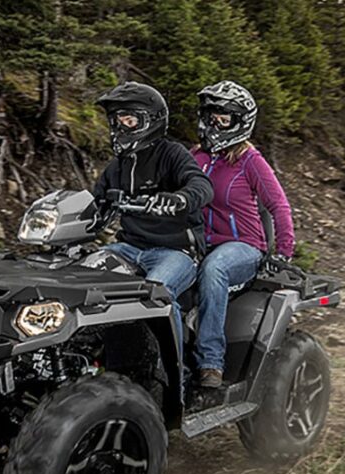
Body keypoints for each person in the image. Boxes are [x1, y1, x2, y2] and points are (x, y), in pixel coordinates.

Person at [92, 81, 214, 361]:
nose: (121, 127)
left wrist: (180, 199)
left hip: (176, 251)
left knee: (155, 293)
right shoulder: (118, 165)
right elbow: (94, 203)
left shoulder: (172, 154)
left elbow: (201, 185)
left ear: (151, 121)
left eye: (129, 120)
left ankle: (174, 372)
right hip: (128, 248)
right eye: (117, 120)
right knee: (86, 281)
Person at [191, 81, 295, 389]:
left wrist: (283, 251)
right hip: (198, 242)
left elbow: (279, 205)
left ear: (240, 122)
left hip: (243, 247)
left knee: (214, 270)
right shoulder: (197, 156)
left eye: (224, 118)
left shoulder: (251, 161)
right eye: (211, 116)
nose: (214, 124)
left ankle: (211, 362)